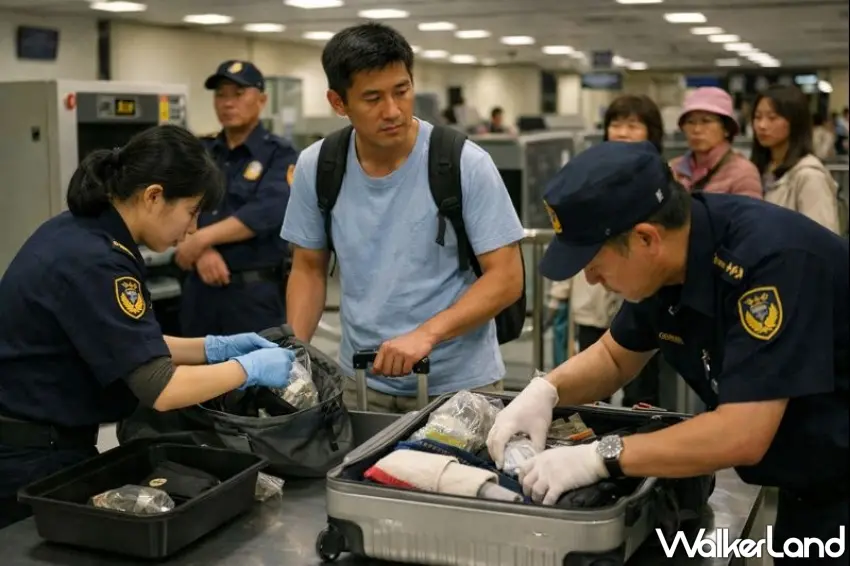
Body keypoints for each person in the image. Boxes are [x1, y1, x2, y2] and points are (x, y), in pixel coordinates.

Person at [487, 141, 848, 565]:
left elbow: (742, 433)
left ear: (645, 238)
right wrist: (546, 389)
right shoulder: (667, 263)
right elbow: (615, 357)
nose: (590, 276)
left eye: (593, 260)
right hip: (811, 482)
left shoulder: (769, 264)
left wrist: (603, 457)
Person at [0, 125, 297, 529]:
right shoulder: (97, 260)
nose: (192, 230)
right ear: (154, 196)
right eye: (192, 212)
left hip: (39, 439)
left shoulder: (82, 230)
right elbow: (161, 388)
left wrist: (215, 348)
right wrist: (248, 370)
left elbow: (125, 340)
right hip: (30, 456)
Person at [281, 23, 525, 413]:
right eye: (373, 98)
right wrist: (296, 355)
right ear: (338, 102)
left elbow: (507, 278)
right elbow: (308, 268)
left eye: (402, 91)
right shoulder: (318, 165)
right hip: (359, 384)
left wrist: (427, 335)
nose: (392, 111)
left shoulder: (464, 162)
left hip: (459, 388)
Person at [176, 60, 299, 337]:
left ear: (262, 100)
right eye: (221, 95)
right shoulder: (200, 151)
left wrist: (202, 239)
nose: (228, 103)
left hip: (253, 296)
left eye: (238, 94)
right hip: (199, 293)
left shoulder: (280, 154)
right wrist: (202, 251)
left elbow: (267, 211)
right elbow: (176, 206)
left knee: (257, 376)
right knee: (197, 373)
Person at [570, 94, 664, 407]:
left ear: (651, 132)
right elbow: (573, 234)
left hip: (645, 296)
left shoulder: (662, 178)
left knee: (642, 390)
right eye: (616, 124)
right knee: (590, 389)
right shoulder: (589, 172)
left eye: (633, 125)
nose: (622, 132)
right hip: (594, 299)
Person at [751, 85, 841, 233]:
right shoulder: (761, 169)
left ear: (795, 121)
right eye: (757, 117)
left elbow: (823, 241)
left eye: (772, 118)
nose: (762, 125)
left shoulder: (810, 176)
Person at [670, 87, 762, 199]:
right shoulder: (673, 169)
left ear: (726, 129)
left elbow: (750, 215)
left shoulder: (742, 172)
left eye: (706, 121)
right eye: (690, 122)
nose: (697, 129)